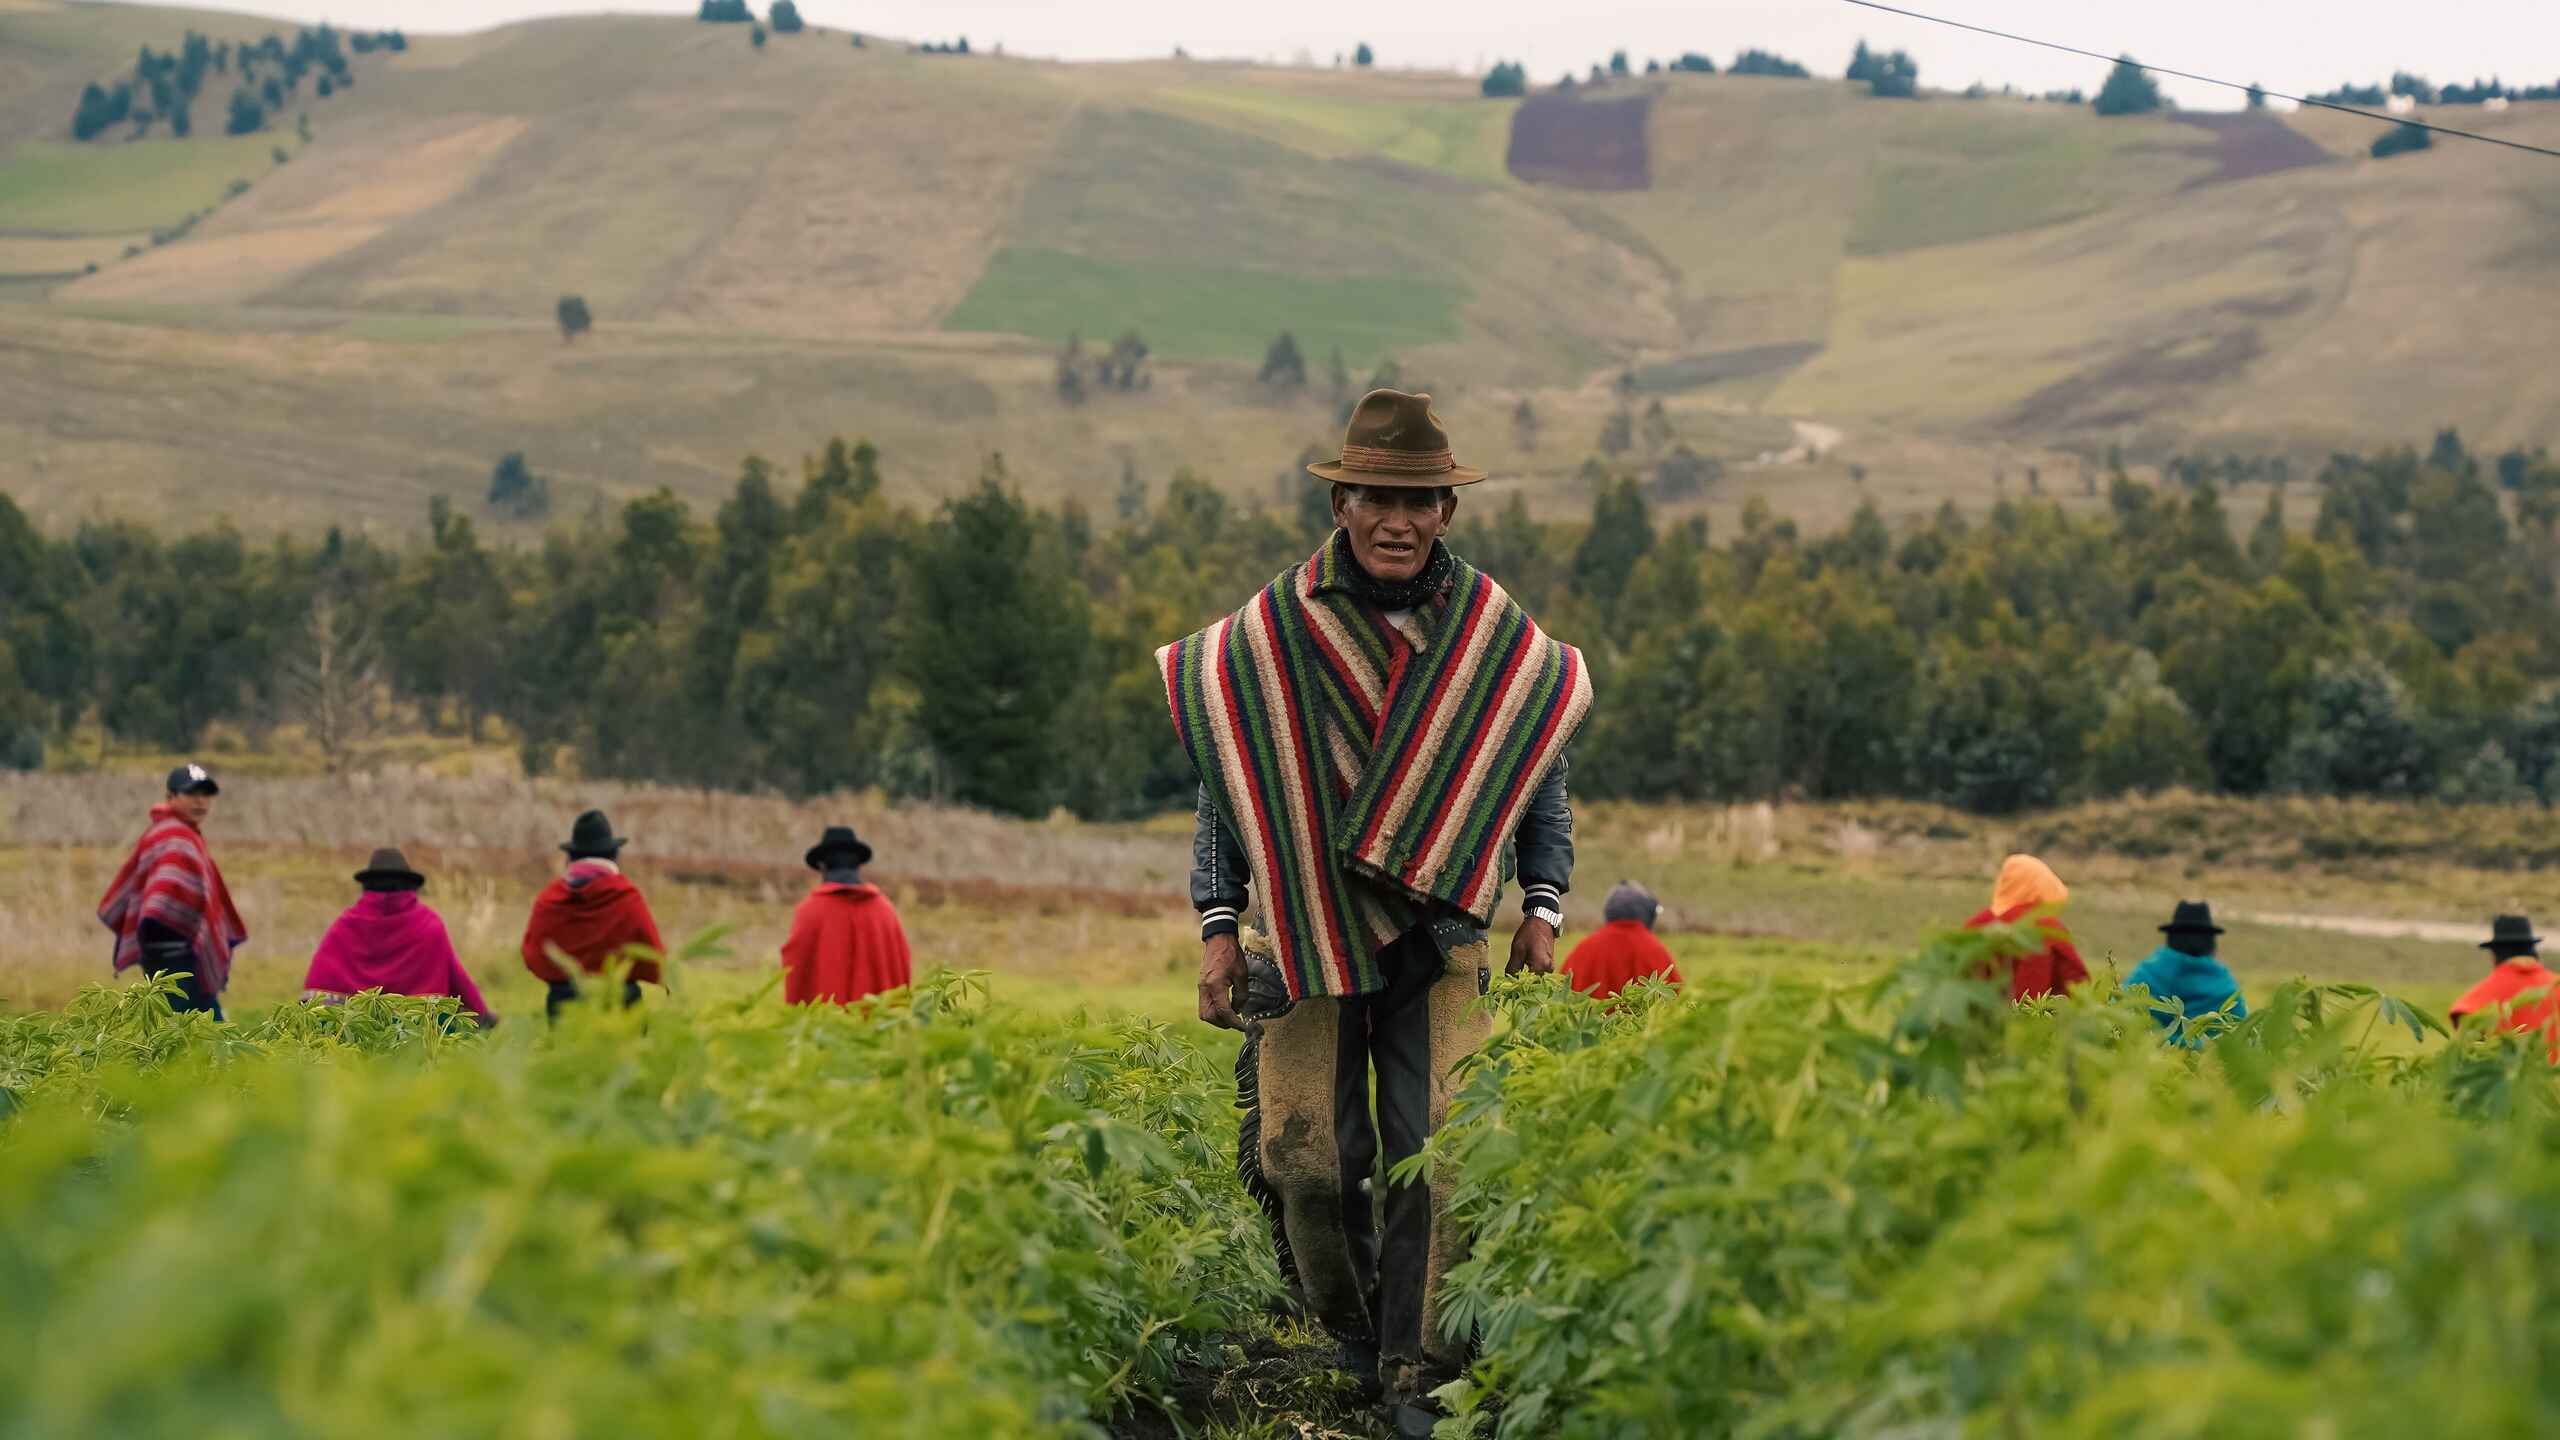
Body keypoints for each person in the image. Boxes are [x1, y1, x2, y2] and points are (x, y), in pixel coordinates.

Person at [1163, 389, 1590, 1431]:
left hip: (1441, 937)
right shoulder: (1268, 638)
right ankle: (1348, 1332)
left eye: (1420, 499)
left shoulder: (1496, 640)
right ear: (1342, 501)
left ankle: (1414, 1363)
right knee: (1306, 1156)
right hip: (1304, 933)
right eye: (1376, 497)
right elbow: (1231, 791)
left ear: (1447, 511)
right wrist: (1219, 926)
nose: (1397, 518)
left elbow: (1538, 774)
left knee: (1435, 1157)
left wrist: (1541, 903)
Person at [97, 763, 246, 1020]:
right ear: (171, 797)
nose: (200, 801)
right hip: (170, 956)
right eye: (191, 794)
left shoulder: (183, 832)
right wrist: (175, 922)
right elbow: (159, 898)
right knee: (185, 1033)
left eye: (206, 794)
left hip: (184, 953)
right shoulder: (173, 834)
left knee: (201, 1031)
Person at [303, 847, 496, 1028]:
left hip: (357, 1029)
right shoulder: (429, 924)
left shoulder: (346, 924)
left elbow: (320, 982)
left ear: (368, 886)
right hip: (420, 1030)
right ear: (409, 886)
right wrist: (483, 1014)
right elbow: (457, 977)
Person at [521, 809, 664, 1019]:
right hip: (619, 1004)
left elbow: (533, 954)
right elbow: (653, 956)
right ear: (613, 855)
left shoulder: (549, 898)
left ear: (571, 857)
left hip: (565, 1008)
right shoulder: (626, 896)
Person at [780, 825, 913, 1005]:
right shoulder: (884, 911)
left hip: (824, 1028)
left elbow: (796, 971)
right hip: (878, 1024)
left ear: (822, 865)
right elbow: (901, 969)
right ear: (858, 865)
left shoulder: (810, 911)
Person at [1964, 853, 2087, 1002]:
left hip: (1980, 1018)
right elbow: (2076, 983)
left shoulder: (1975, 924)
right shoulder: (2042, 926)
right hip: (2036, 1020)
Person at [2126, 900, 2245, 1045]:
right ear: (2210, 941)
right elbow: (2242, 1035)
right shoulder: (2224, 984)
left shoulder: (2148, 973)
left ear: (2171, 938)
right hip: (2209, 1065)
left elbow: (2120, 1013)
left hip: (2147, 1060)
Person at [2448, 914, 2560, 1059]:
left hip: (2505, 1079)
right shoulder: (2555, 985)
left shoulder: (2478, 997)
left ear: (2494, 954)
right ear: (2533, 950)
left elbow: (2466, 1051)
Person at [1560, 880, 1682, 999]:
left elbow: (1561, 991)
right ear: (1647, 914)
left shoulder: (1583, 948)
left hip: (1588, 1019)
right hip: (1644, 1020)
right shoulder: (1654, 950)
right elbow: (1675, 998)